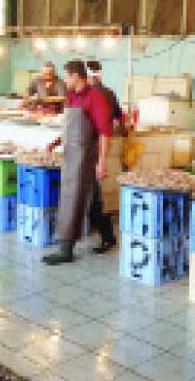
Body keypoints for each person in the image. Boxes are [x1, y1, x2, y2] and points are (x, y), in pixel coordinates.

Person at [42, 60, 112, 266]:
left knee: (74, 198)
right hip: (70, 155)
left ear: (76, 76)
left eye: (66, 76)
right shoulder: (72, 97)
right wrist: (56, 142)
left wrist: (102, 162)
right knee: (89, 198)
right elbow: (69, 127)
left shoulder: (95, 98)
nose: (64, 80)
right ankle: (108, 235)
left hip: (85, 158)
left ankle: (66, 249)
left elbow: (104, 133)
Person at [86, 60, 122, 254]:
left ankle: (107, 237)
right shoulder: (105, 93)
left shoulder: (98, 95)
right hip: (93, 150)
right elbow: (118, 118)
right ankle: (106, 235)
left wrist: (102, 159)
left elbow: (107, 127)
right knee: (95, 196)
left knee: (96, 196)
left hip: (97, 150)